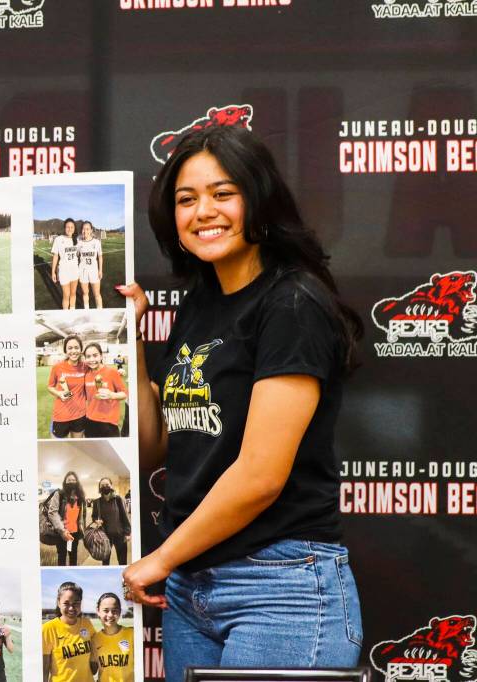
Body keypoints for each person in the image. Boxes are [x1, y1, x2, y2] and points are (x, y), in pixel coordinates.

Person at [120, 126, 364, 679]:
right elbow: (154, 448)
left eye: (222, 193)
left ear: (258, 199)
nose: (204, 211)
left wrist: (161, 559)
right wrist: (127, 340)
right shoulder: (200, 304)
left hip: (281, 589)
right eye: (186, 199)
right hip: (191, 589)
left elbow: (259, 476)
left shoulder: (292, 303)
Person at [41, 582, 95, 682]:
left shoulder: (87, 624)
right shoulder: (48, 629)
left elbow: (96, 650)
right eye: (66, 603)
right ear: (58, 602)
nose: (71, 608)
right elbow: (44, 669)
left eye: (76, 603)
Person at [81, 343, 127, 438]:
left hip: (109, 423)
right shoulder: (86, 375)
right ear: (85, 359)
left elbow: (124, 394)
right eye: (88, 356)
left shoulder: (112, 372)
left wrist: (112, 395)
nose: (92, 359)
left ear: (101, 356)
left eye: (95, 355)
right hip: (90, 421)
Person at [46, 335, 87, 439]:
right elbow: (50, 386)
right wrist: (59, 393)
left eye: (76, 347)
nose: (73, 351)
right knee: (57, 449)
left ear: (81, 349)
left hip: (80, 415)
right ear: (65, 350)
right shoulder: (57, 367)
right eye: (70, 348)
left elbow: (99, 370)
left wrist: (119, 372)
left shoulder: (85, 367)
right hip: (61, 415)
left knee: (77, 448)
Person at [44, 471, 86, 566]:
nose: (72, 482)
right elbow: (52, 512)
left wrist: (82, 527)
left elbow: (81, 515)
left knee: (73, 557)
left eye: (74, 480)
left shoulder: (80, 497)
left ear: (77, 482)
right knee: (62, 557)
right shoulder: (59, 494)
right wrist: (62, 531)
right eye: (69, 480)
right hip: (61, 533)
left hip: (75, 533)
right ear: (65, 482)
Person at [90, 593, 133, 682]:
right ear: (98, 611)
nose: (110, 615)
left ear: (120, 611)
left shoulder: (132, 634)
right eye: (106, 610)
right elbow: (92, 670)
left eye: (114, 610)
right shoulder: (95, 639)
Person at [90, 477, 130, 566]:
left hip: (120, 534)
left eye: (107, 484)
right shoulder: (97, 502)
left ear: (111, 486)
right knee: (105, 561)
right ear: (99, 488)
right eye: (102, 485)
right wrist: (96, 520)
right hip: (104, 536)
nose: (105, 486)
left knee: (122, 561)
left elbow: (125, 516)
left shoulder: (118, 499)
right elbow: (94, 516)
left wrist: (127, 533)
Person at [51, 218, 80, 309]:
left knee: (73, 293)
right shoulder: (59, 239)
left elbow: (78, 255)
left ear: (74, 228)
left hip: (74, 271)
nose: (70, 229)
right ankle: (66, 314)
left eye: (72, 227)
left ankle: (72, 312)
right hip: (64, 272)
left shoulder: (77, 240)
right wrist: (53, 272)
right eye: (68, 227)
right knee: (66, 295)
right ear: (64, 228)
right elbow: (55, 256)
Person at [76, 220, 104, 309]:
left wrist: (100, 270)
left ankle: (100, 313)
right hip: (83, 271)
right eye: (83, 229)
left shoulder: (96, 242)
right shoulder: (79, 242)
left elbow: (100, 256)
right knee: (85, 293)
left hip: (94, 271)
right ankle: (86, 312)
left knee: (97, 294)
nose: (85, 231)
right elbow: (75, 256)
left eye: (87, 229)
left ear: (91, 230)